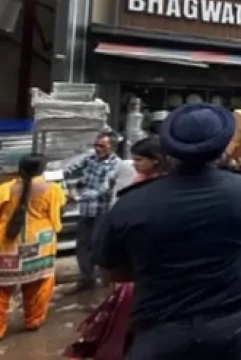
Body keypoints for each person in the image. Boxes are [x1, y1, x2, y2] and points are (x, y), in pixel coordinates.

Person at [94, 103, 241, 360]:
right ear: (224, 146)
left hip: (160, 333)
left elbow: (110, 270)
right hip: (235, 327)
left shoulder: (131, 204)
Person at [65, 138, 169, 359]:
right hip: (112, 227)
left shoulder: (159, 186)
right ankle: (87, 278)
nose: (135, 164)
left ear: (156, 161)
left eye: (140, 159)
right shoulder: (135, 177)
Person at [0, 155, 65, 340]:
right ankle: (33, 321)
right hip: (40, 245)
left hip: (7, 244)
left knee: (2, 289)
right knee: (39, 285)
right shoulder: (53, 190)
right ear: (42, 170)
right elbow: (57, 213)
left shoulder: (5, 189)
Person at [63, 132, 121, 293]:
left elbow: (104, 188)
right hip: (86, 209)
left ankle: (104, 279)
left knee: (97, 245)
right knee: (82, 244)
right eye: (96, 145)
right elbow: (68, 170)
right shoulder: (90, 158)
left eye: (102, 146)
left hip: (101, 210)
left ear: (112, 147)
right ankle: (86, 278)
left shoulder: (116, 164)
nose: (97, 148)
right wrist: (66, 186)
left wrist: (79, 196)